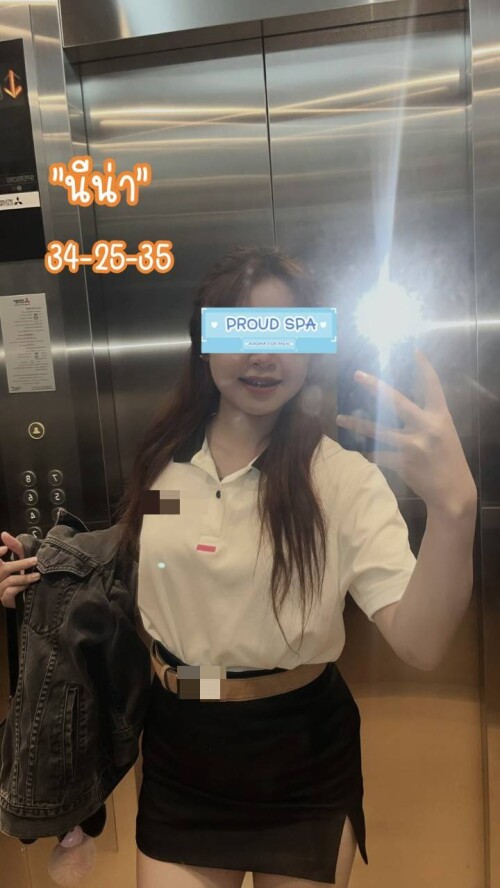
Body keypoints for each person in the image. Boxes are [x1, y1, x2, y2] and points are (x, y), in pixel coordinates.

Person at [0, 245, 477, 888]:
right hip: (180, 747)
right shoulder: (165, 466)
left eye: (286, 331)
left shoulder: (344, 483)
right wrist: (42, 578)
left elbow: (421, 644)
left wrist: (454, 511)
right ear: (204, 345)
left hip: (301, 754)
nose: (262, 354)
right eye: (239, 329)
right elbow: (141, 551)